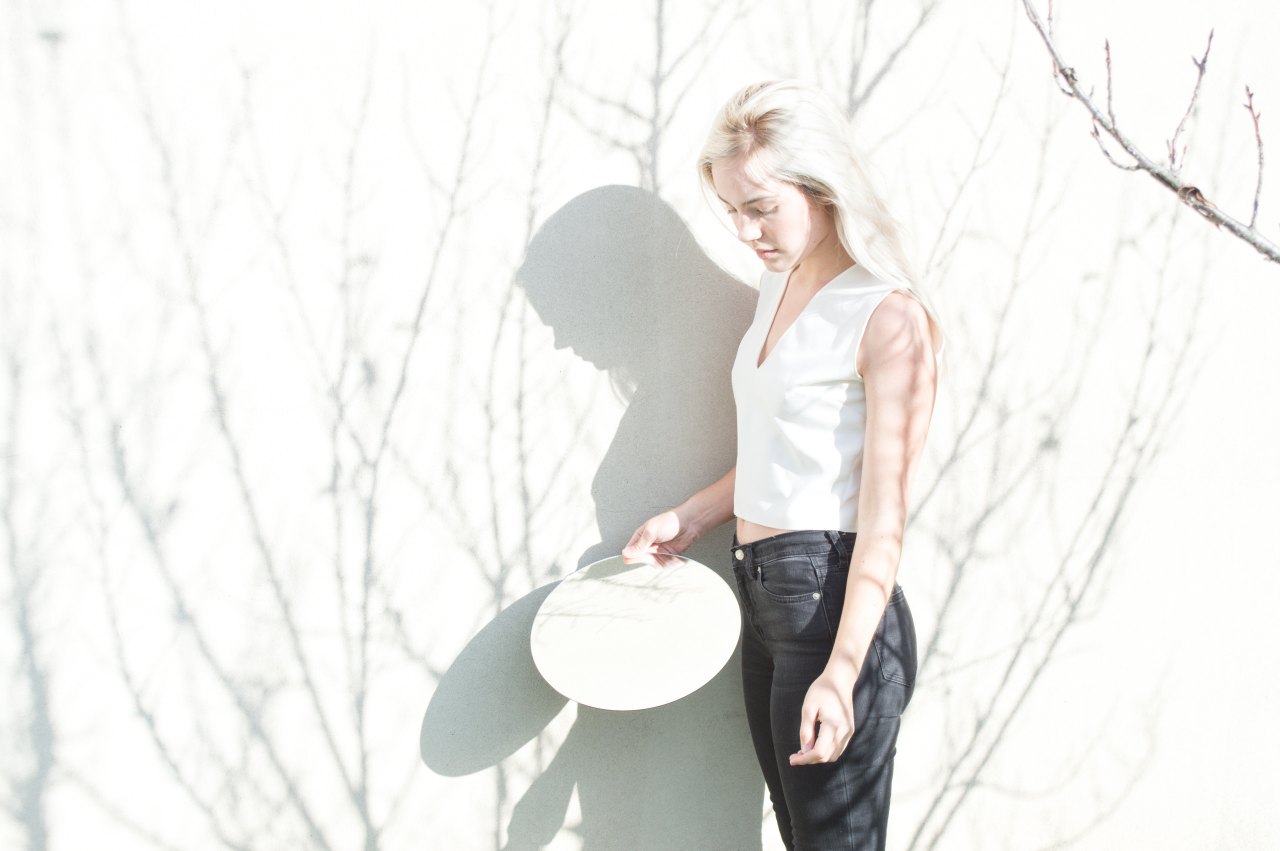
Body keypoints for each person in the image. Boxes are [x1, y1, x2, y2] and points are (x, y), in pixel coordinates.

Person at [621, 79, 943, 851]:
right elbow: (785, 452)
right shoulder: (778, 286)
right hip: (765, 604)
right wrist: (690, 516)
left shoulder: (886, 315)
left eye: (760, 206)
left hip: (833, 609)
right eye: (732, 209)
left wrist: (843, 669)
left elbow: (884, 516)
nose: (744, 230)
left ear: (821, 186)